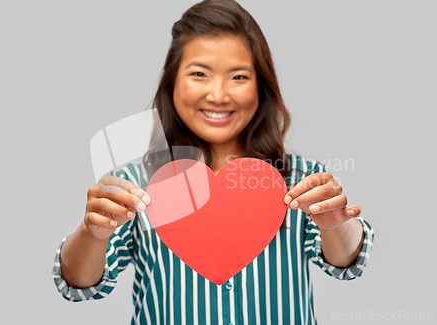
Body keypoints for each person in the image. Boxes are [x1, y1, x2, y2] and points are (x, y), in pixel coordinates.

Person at [52, 0, 374, 324]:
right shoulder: (134, 185)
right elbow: (80, 285)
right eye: (199, 74)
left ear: (260, 86)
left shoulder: (302, 179)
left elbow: (345, 263)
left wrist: (337, 224)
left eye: (238, 76)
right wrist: (92, 233)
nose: (218, 95)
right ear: (172, 82)